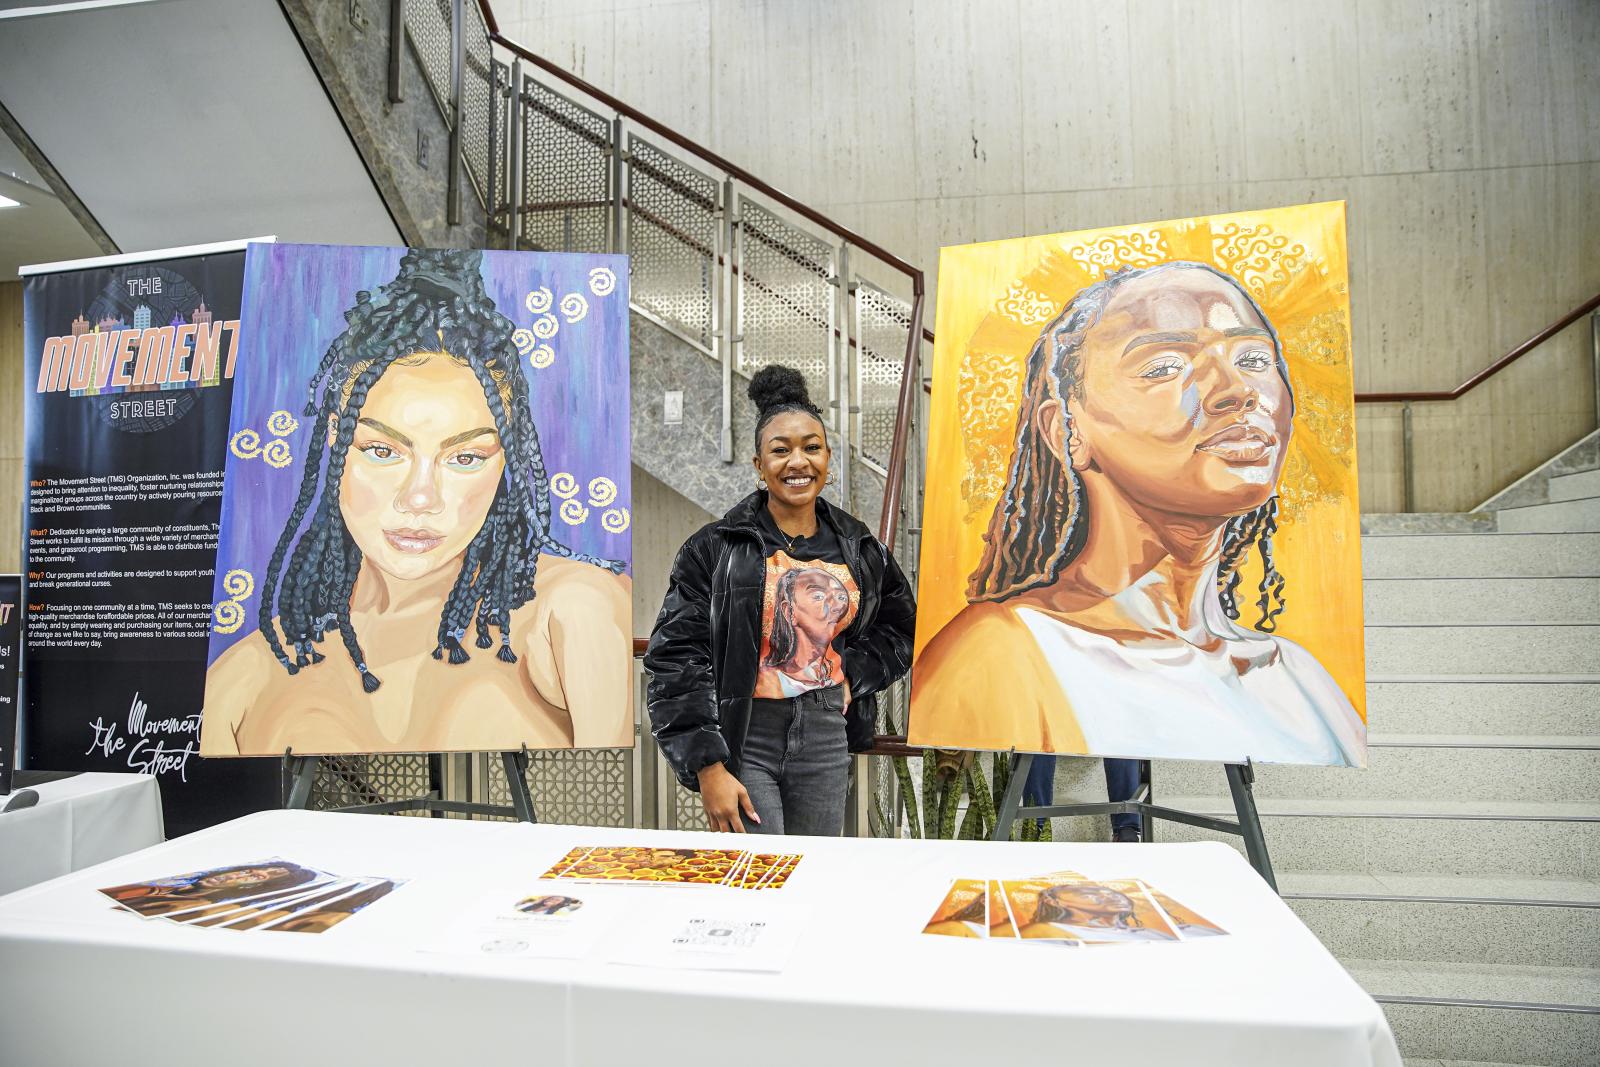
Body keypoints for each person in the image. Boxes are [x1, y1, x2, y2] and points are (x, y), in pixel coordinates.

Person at [912, 261, 1363, 767]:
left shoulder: (1298, 675)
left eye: (1255, 357)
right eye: (1164, 366)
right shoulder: (998, 655)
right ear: (1067, 432)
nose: (1237, 389)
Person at [202, 249, 632, 756]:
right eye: (382, 451)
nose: (420, 498)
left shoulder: (573, 608)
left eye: (466, 457)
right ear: (338, 444)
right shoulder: (245, 677)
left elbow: (604, 822)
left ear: (505, 462)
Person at [646, 365, 917, 836]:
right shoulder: (714, 548)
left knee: (815, 876)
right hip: (746, 732)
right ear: (758, 465)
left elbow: (901, 626)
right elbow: (675, 659)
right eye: (781, 450)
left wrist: (854, 673)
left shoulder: (859, 547)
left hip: (825, 730)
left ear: (828, 458)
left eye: (812, 447)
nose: (798, 462)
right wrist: (708, 766)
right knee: (757, 876)